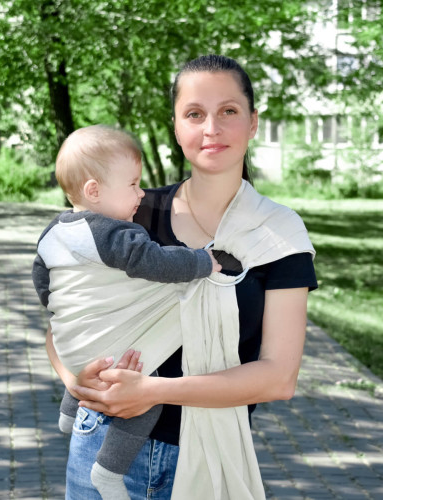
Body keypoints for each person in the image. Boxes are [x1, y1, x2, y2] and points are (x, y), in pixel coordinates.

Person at [46, 54, 319, 500]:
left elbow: (278, 378)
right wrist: (74, 380)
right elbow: (63, 319)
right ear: (176, 126)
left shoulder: (278, 234)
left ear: (253, 122)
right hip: (102, 445)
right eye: (194, 114)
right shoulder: (128, 212)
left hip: (208, 456)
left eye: (228, 111)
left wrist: (153, 391)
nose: (211, 128)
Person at [31, 124, 222, 500]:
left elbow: (42, 278)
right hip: (110, 354)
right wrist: (202, 261)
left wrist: (62, 308)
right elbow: (153, 261)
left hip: (72, 345)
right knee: (145, 395)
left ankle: (69, 412)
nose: (141, 193)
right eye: (133, 184)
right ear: (94, 191)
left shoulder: (55, 229)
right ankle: (109, 470)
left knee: (93, 353)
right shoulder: (115, 233)